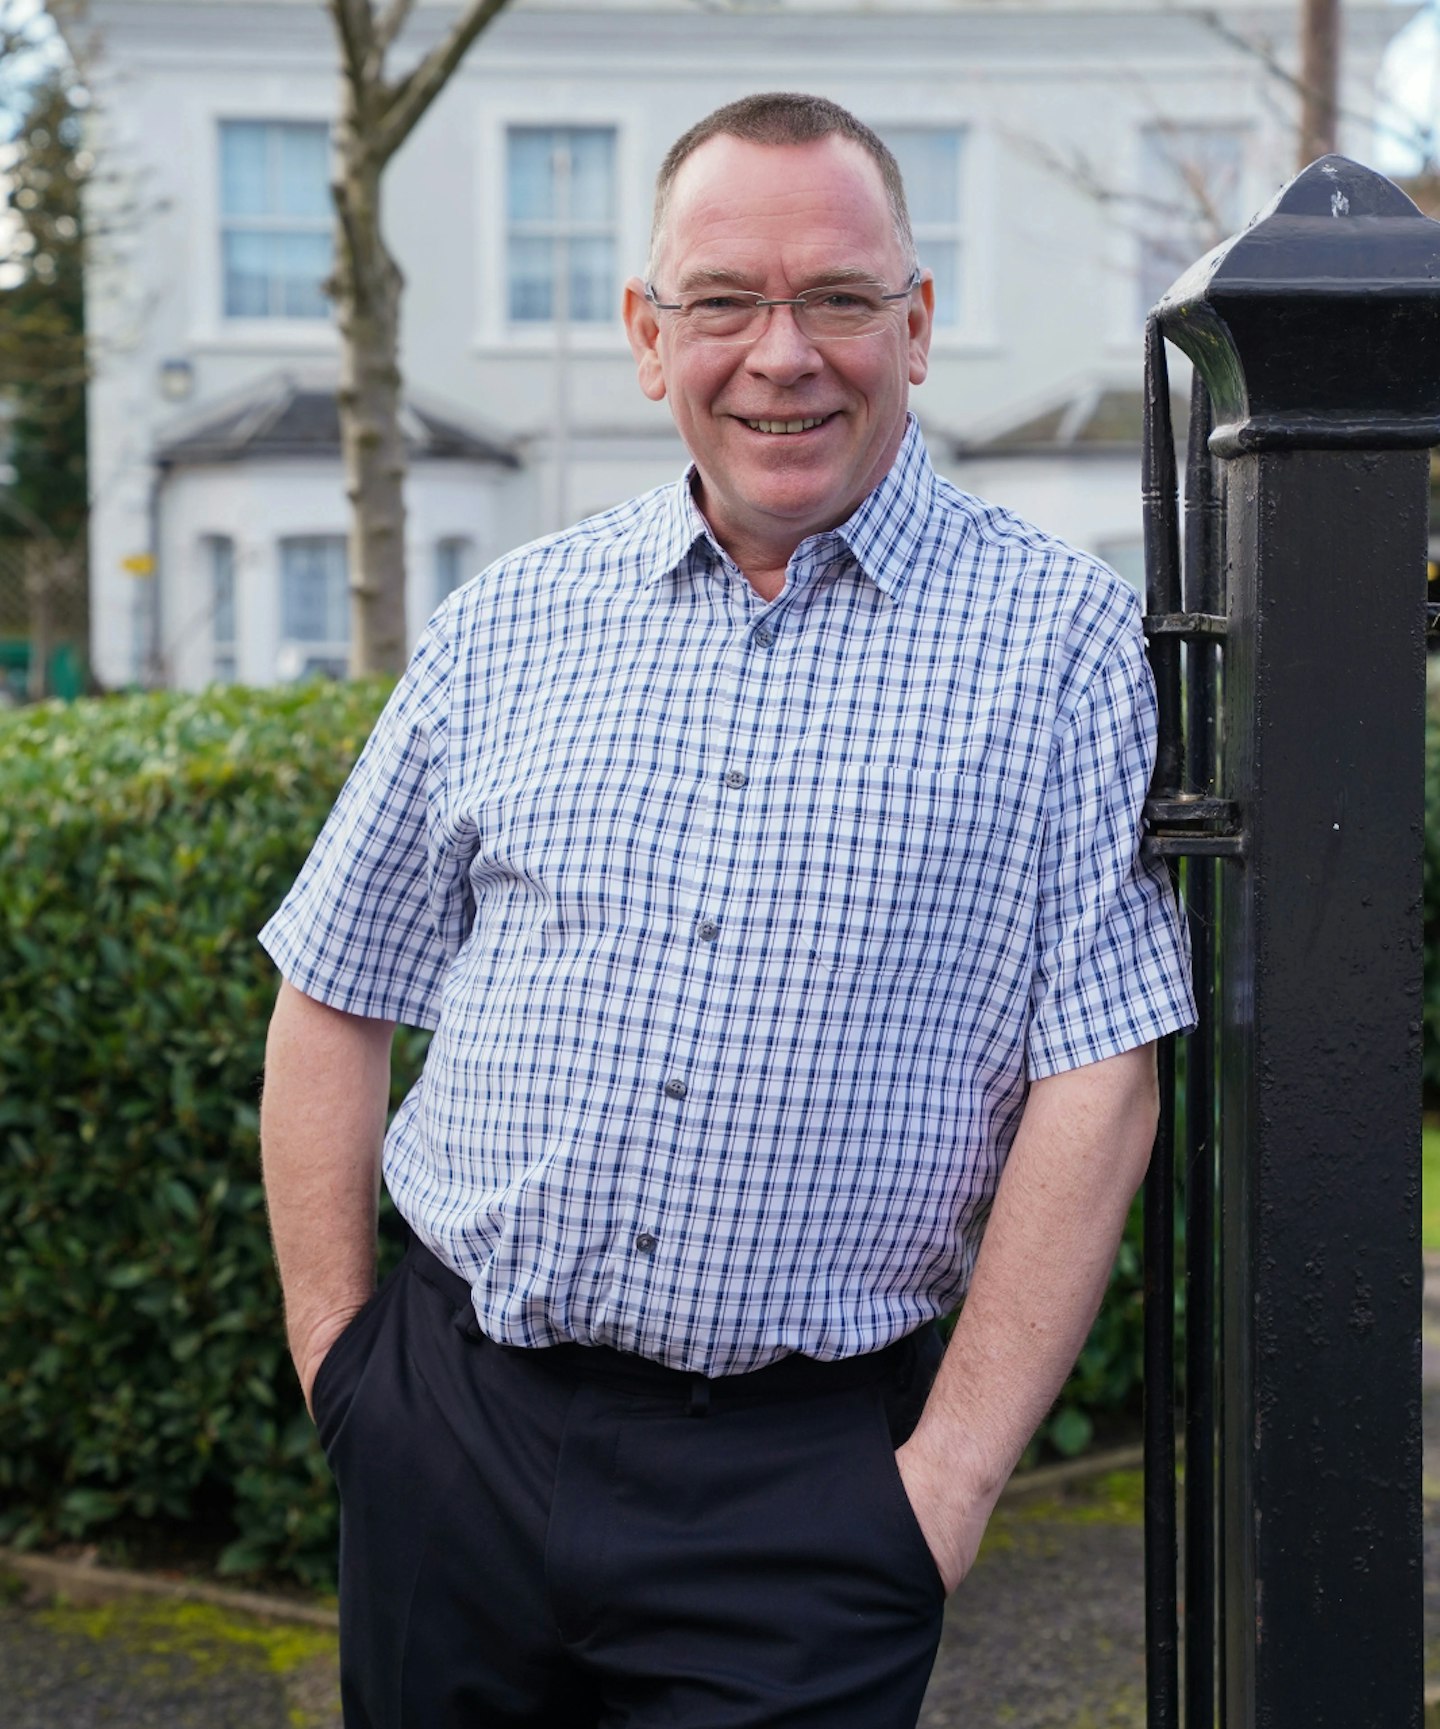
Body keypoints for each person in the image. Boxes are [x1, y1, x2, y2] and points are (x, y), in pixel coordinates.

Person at [259, 91, 1194, 1729]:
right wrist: (347, 1367)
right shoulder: (512, 625)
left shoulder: (1062, 651)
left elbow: (1101, 1073)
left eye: (839, 299)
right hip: (451, 1443)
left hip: (808, 1498)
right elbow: (333, 985)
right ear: (647, 335)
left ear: (916, 326)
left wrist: (950, 1482)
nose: (784, 353)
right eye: (724, 302)